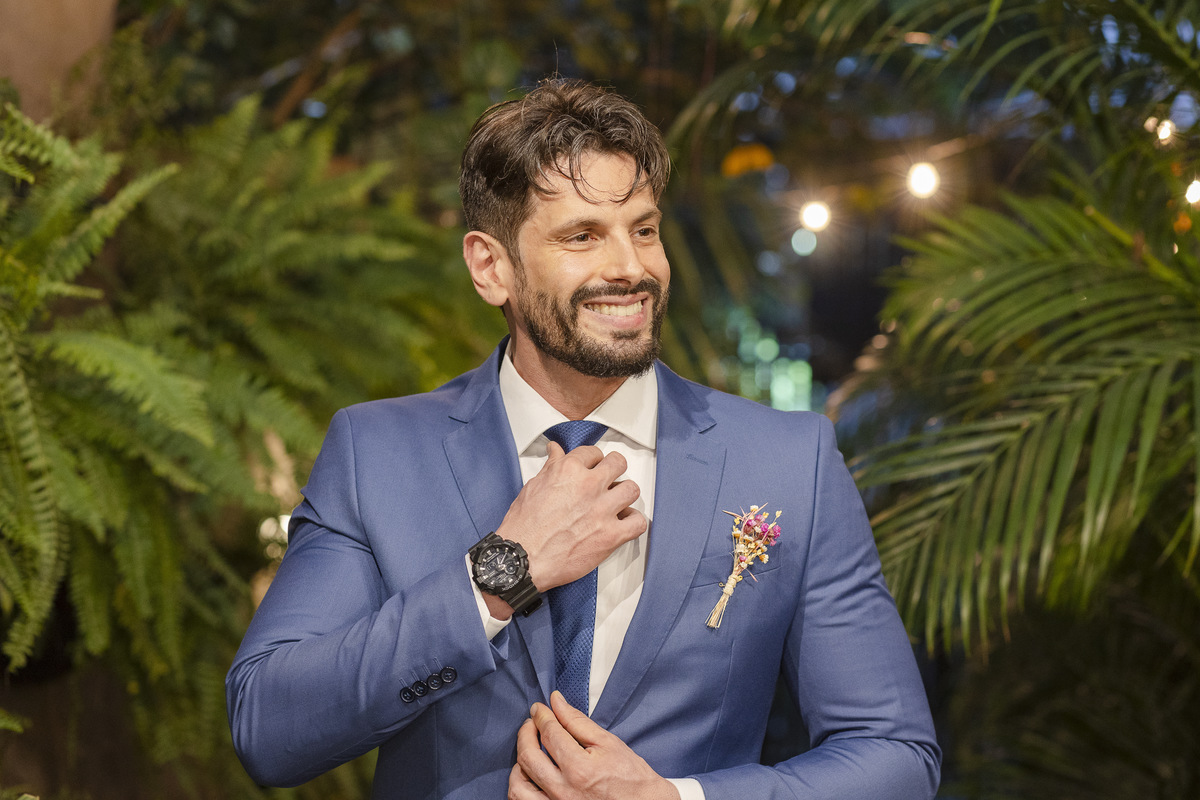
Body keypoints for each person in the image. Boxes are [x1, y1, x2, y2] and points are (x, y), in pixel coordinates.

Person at [226, 79, 941, 800]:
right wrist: (500, 575)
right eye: (582, 236)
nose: (631, 267)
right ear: (491, 267)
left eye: (644, 229)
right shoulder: (377, 453)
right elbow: (268, 729)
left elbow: (896, 756)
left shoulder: (788, 462)